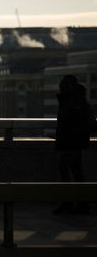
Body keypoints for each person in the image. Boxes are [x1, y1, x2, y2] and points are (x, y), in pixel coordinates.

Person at [53, 75, 95, 214]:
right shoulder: (75, 101)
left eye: (63, 83)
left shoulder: (73, 102)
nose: (60, 86)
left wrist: (67, 135)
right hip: (73, 142)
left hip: (69, 143)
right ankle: (81, 203)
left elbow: (70, 123)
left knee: (66, 172)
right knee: (77, 173)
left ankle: (69, 203)